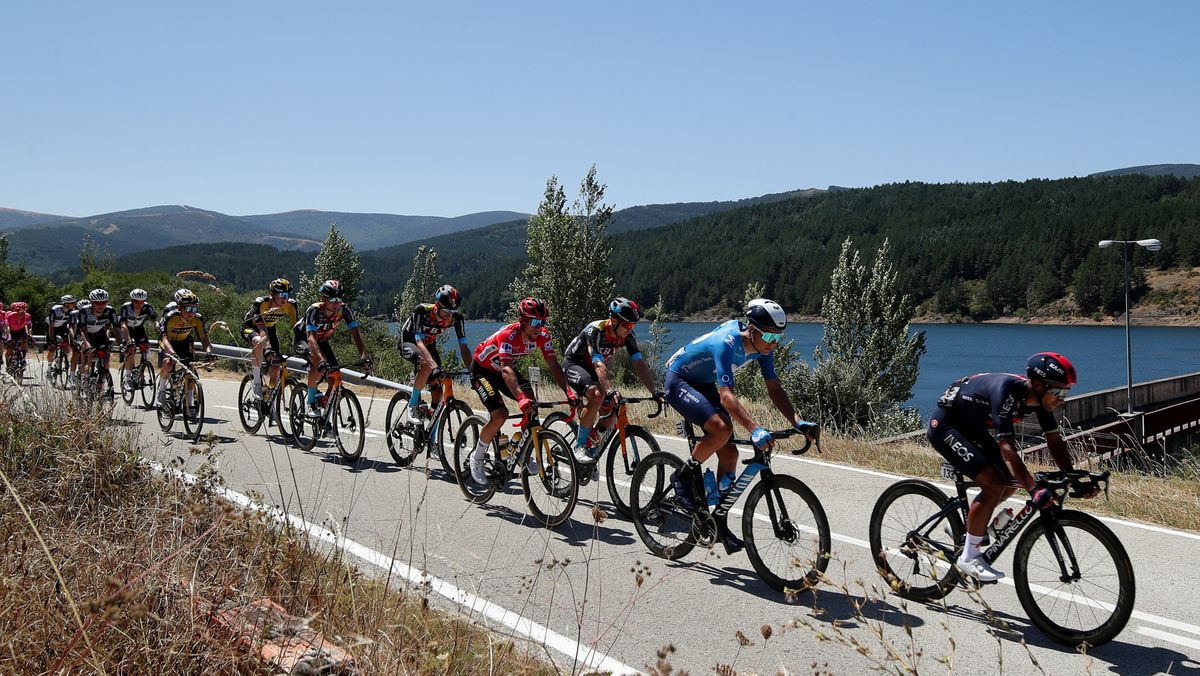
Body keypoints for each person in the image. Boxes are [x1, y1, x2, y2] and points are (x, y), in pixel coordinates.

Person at [663, 298, 817, 554]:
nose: (774, 342)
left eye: (779, 337)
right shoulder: (727, 342)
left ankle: (719, 521)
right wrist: (755, 428)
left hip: (702, 384)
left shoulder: (763, 348)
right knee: (721, 430)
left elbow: (774, 388)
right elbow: (726, 396)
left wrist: (797, 421)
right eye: (769, 335)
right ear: (752, 330)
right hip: (679, 380)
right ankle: (682, 475)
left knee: (731, 453)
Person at [928, 352, 1094, 582]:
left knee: (1010, 482)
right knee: (993, 484)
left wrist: (1077, 481)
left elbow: (1055, 442)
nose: (1062, 398)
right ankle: (969, 557)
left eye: (1066, 392)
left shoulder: (1040, 404)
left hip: (972, 426)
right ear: (1037, 385)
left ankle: (971, 528)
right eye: (1058, 391)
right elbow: (1007, 448)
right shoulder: (1006, 392)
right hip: (946, 426)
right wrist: (1034, 489)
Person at [466, 297, 575, 486]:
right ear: (522, 320)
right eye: (534, 322)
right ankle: (477, 457)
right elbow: (507, 369)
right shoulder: (508, 335)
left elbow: (554, 366)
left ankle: (523, 453)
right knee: (500, 415)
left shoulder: (543, 336)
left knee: (532, 406)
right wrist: (520, 397)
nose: (538, 326)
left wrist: (569, 393)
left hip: (502, 370)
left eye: (542, 322)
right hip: (483, 370)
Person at [562, 297, 663, 465]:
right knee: (597, 394)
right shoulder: (596, 330)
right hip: (574, 364)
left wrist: (654, 391)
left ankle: (590, 450)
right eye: (627, 325)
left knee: (613, 410)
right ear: (614, 320)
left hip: (593, 370)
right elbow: (598, 362)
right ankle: (579, 447)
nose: (629, 329)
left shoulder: (628, 336)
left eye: (633, 326)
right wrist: (609, 389)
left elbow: (638, 364)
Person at [396, 284, 472, 424]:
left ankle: (431, 432)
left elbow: (464, 348)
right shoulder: (422, 310)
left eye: (452, 311)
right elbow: (418, 342)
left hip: (429, 345)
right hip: (409, 342)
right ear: (437, 305)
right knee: (428, 365)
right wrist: (433, 365)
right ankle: (412, 405)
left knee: (438, 392)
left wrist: (473, 371)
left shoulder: (456, 318)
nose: (449, 315)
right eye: (446, 311)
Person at [291, 280, 370, 412]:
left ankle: (325, 406)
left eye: (339, 298)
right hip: (304, 340)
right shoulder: (314, 310)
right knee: (316, 362)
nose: (337, 303)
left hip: (322, 341)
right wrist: (321, 360)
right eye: (332, 299)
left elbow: (356, 334)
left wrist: (364, 357)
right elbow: (311, 338)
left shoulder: (344, 310)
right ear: (323, 299)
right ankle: (311, 403)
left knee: (335, 376)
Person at [240, 278, 300, 398]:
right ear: (273, 294)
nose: (285, 298)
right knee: (258, 341)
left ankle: (270, 395)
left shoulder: (290, 305)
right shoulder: (262, 303)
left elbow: (297, 328)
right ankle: (257, 383)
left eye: (287, 295)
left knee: (276, 365)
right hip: (252, 328)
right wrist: (267, 349)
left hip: (270, 329)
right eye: (282, 295)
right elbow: (262, 330)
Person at [154, 290, 214, 405]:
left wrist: (209, 353)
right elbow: (165, 339)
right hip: (168, 342)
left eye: (195, 308)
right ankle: (161, 389)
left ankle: (189, 401)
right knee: (168, 363)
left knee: (190, 367)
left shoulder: (197, 319)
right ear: (179, 308)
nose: (191, 312)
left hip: (185, 341)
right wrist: (172, 354)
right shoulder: (171, 317)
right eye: (188, 308)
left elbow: (204, 339)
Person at [74, 290, 120, 381]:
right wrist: (87, 344)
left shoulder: (110, 311)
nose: (101, 305)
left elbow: (117, 329)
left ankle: (102, 380)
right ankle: (83, 378)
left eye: (104, 302)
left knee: (106, 356)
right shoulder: (84, 311)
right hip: (83, 333)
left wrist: (122, 343)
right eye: (97, 303)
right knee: (88, 353)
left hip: (98, 333)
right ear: (91, 303)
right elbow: (82, 329)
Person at [118, 289, 158, 390]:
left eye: (141, 302)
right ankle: (128, 379)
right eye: (136, 302)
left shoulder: (148, 307)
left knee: (146, 349)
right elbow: (123, 325)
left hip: (139, 329)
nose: (139, 304)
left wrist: (160, 334)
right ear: (132, 300)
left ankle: (140, 373)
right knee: (131, 349)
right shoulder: (125, 307)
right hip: (127, 329)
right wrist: (128, 340)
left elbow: (155, 322)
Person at [46, 295, 78, 367]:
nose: (74, 305)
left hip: (62, 326)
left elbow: (72, 326)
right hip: (51, 326)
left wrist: (74, 338)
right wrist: (52, 341)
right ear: (66, 304)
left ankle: (65, 358)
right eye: (72, 303)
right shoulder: (55, 310)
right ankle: (49, 367)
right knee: (52, 348)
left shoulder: (72, 311)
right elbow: (51, 326)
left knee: (66, 343)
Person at [4, 302, 33, 369]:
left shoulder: (27, 316)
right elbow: (7, 326)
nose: (22, 313)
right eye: (20, 311)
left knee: (25, 340)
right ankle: (7, 363)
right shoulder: (10, 315)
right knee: (10, 348)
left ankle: (23, 358)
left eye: (24, 311)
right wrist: (9, 337)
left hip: (21, 330)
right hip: (11, 330)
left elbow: (28, 326)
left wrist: (29, 334)